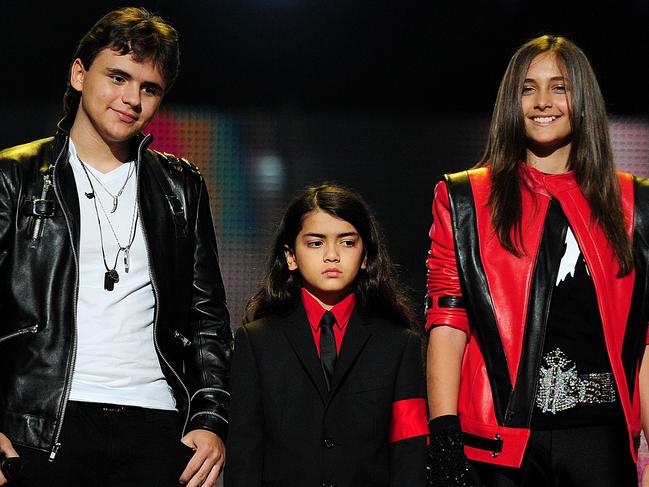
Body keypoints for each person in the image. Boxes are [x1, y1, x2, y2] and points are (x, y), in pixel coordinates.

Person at [0, 7, 232, 487]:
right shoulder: (16, 176)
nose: (132, 99)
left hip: (156, 425)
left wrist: (209, 420)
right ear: (79, 73)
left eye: (149, 88)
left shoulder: (180, 186)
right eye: (119, 77)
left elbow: (207, 318)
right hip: (43, 424)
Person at [424, 34, 649, 487]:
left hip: (600, 441)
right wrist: (444, 435)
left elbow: (645, 342)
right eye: (528, 88)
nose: (542, 102)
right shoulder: (465, 198)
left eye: (559, 87)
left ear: (582, 98)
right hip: (499, 444)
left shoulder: (634, 204)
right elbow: (447, 324)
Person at [224, 183, 428, 486]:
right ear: (290, 256)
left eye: (347, 243)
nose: (332, 255)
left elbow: (409, 452)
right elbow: (244, 450)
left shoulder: (399, 345)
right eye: (316, 243)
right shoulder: (256, 342)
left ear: (366, 256)